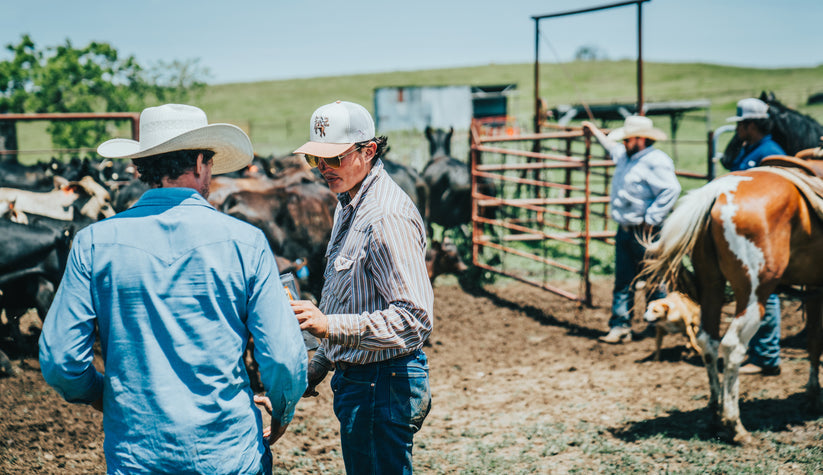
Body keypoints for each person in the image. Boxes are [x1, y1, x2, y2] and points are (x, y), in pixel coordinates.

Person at [38, 103, 308, 474]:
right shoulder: (246, 242)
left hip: (137, 455)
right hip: (229, 453)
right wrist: (283, 407)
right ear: (199, 163)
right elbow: (282, 357)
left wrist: (104, 393)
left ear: (141, 167)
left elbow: (60, 361)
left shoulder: (94, 243)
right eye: (210, 162)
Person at [291, 100, 434, 474]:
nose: (323, 168)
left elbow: (415, 319)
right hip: (368, 382)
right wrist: (320, 362)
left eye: (333, 158)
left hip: (382, 384)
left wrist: (329, 327)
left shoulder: (385, 216)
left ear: (367, 151)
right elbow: (347, 300)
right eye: (315, 160)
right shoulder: (349, 204)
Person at [582, 116, 681, 344]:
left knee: (654, 279)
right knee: (623, 280)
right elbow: (611, 147)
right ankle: (620, 326)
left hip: (646, 231)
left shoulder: (656, 161)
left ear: (640, 139)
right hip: (626, 228)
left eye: (628, 139)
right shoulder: (627, 156)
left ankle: (658, 326)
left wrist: (652, 218)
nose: (624, 143)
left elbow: (671, 189)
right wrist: (595, 131)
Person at [725, 97, 785, 376]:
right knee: (752, 293)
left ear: (750, 125)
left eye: (740, 125)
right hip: (745, 235)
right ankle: (759, 350)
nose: (737, 130)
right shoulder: (752, 149)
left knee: (766, 292)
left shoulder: (770, 154)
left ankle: (767, 356)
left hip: (762, 238)